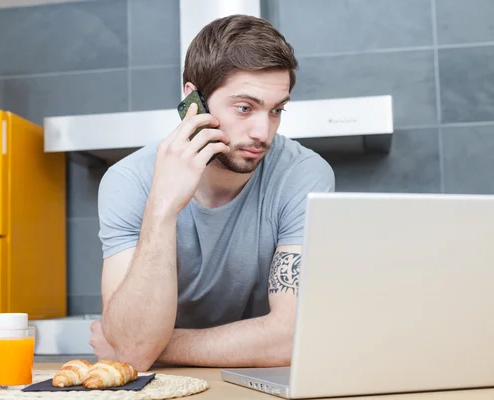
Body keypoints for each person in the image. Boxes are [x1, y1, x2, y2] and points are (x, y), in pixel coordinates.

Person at [88, 14, 335, 371]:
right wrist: (162, 207)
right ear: (194, 102)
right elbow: (131, 349)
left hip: (260, 386)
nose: (263, 133)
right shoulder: (128, 181)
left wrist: (156, 346)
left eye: (277, 110)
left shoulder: (304, 175)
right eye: (244, 108)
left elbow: (292, 336)